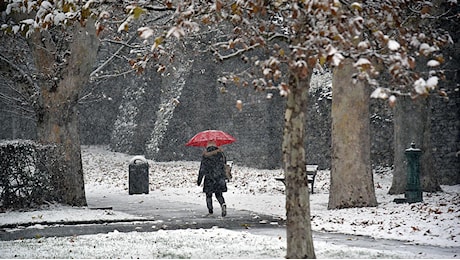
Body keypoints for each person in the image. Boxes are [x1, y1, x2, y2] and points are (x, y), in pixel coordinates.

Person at [197, 140, 228, 217]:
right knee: (219, 194)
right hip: (219, 177)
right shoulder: (220, 154)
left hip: (209, 177)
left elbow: (202, 168)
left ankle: (210, 211)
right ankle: (223, 204)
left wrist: (199, 180)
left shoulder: (205, 155)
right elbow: (224, 164)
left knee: (208, 195)